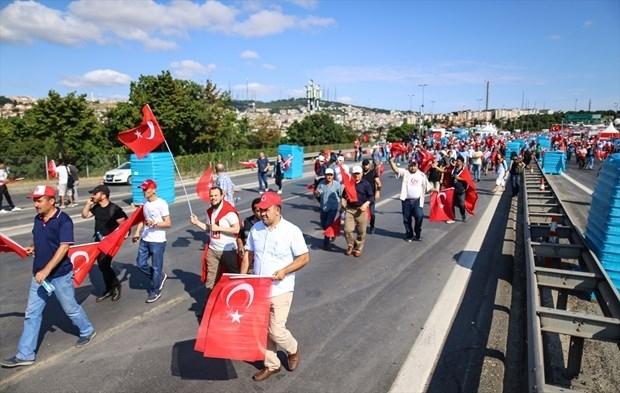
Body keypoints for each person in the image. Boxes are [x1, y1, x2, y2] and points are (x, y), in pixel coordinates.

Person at [1, 185, 96, 368]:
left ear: (51, 201)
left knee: (70, 308)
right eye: (35, 200)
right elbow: (40, 238)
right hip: (39, 276)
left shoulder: (64, 220)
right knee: (32, 314)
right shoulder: (38, 219)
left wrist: (47, 270)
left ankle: (87, 330)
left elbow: (63, 247)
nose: (36, 204)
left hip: (59, 275)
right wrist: (33, 247)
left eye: (39, 200)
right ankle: (25, 354)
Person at [240, 191, 310, 382]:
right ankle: (272, 364)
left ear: (277, 209)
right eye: (260, 210)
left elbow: (304, 258)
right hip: (259, 288)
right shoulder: (256, 229)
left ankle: (293, 349)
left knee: (276, 330)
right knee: (262, 330)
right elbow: (248, 254)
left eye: (266, 210)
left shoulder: (291, 230)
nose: (262, 213)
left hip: (281, 287)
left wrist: (285, 270)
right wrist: (242, 277)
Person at [81, 184, 127, 302]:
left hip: (110, 243)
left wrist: (121, 236)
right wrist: (88, 204)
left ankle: (115, 286)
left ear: (103, 195)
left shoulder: (114, 209)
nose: (93, 195)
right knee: (102, 266)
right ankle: (109, 289)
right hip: (98, 242)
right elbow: (85, 215)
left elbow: (125, 225)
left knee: (104, 265)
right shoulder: (96, 208)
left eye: (95, 193)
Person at [190, 186, 240, 292]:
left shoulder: (229, 211)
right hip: (213, 249)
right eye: (211, 196)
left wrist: (219, 228)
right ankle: (209, 301)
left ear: (222, 196)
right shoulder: (210, 211)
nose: (213, 198)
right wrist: (197, 223)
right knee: (211, 278)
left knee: (233, 275)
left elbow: (236, 229)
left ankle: (236, 298)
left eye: (216, 195)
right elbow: (209, 228)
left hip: (228, 251)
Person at [132, 179, 171, 303]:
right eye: (143, 189)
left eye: (146, 189)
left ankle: (155, 291)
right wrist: (138, 232)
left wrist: (155, 223)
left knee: (156, 267)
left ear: (153, 190)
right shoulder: (145, 204)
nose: (144, 191)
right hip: (145, 238)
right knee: (140, 263)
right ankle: (159, 277)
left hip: (157, 241)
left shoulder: (162, 204)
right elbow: (143, 220)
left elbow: (168, 223)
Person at [388, 157, 429, 241]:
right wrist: (391, 162)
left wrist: (435, 190)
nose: (413, 167)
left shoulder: (421, 175)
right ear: (409, 165)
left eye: (414, 166)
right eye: (411, 165)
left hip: (417, 201)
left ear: (417, 166)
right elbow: (396, 170)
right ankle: (409, 234)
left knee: (419, 216)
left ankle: (417, 233)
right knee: (407, 219)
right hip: (406, 201)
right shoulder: (405, 172)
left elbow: (428, 186)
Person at [343, 165, 374, 257]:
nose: (356, 176)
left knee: (361, 231)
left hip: (361, 210)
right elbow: (344, 195)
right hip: (350, 209)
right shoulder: (349, 184)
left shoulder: (366, 184)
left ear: (361, 174)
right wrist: (342, 201)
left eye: (358, 174)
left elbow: (371, 197)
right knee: (347, 229)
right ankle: (350, 244)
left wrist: (366, 204)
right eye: (355, 174)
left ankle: (358, 248)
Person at [314, 168, 342, 250]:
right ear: (325, 175)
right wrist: (317, 193)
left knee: (328, 224)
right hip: (323, 208)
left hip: (333, 208)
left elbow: (341, 195)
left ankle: (326, 243)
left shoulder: (337, 185)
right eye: (327, 175)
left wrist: (343, 204)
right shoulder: (321, 184)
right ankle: (332, 234)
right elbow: (318, 192)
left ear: (333, 176)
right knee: (323, 224)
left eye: (331, 175)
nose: (329, 177)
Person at [361, 159, 381, 234]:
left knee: (372, 213)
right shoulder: (360, 174)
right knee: (361, 213)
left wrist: (378, 192)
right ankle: (361, 227)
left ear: (369, 165)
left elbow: (379, 183)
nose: (365, 166)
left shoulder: (373, 173)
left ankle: (372, 226)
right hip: (362, 197)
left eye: (367, 165)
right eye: (364, 165)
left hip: (371, 196)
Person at [450, 156, 469, 223]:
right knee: (451, 204)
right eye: (456, 161)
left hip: (461, 190)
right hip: (453, 189)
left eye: (458, 161)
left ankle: (463, 215)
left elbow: (467, 179)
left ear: (462, 162)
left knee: (461, 204)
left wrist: (458, 178)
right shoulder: (454, 169)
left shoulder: (464, 170)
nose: (457, 162)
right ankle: (452, 217)